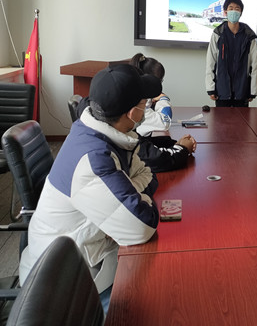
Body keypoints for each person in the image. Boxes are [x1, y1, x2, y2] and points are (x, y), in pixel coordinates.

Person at [19, 64, 162, 313]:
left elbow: (149, 175)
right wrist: (131, 200)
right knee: (159, 300)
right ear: (132, 113)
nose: (147, 107)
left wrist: (128, 194)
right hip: (60, 288)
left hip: (86, 257)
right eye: (145, 103)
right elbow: (142, 226)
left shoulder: (102, 133)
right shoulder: (93, 160)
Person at [129, 53, 196, 172]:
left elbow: (144, 144)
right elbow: (156, 158)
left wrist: (174, 144)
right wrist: (183, 148)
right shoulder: (135, 109)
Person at [205, 0, 257, 107]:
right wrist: (210, 88)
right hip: (222, 90)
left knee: (242, 118)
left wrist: (252, 90)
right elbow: (211, 61)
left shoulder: (249, 35)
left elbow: (255, 65)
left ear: (241, 13)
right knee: (221, 118)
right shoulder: (218, 33)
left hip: (242, 90)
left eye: (237, 8)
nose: (234, 11)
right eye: (231, 8)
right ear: (225, 12)